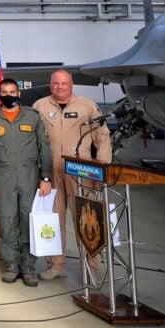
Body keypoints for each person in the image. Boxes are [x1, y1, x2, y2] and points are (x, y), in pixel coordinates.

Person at [32, 69, 111, 281]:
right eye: (55, 83)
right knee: (53, 219)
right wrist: (39, 173)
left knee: (87, 219)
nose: (59, 87)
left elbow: (102, 138)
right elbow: (32, 140)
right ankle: (56, 265)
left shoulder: (87, 106)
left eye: (64, 83)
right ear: (50, 84)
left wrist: (100, 172)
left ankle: (91, 268)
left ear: (71, 83)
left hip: (81, 171)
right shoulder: (40, 106)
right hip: (51, 172)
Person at [0, 78, 53, 286]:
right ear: (0, 94)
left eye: (12, 91)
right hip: (2, 175)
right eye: (5, 92)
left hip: (29, 175)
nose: (9, 95)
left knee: (28, 219)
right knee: (7, 220)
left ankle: (28, 267)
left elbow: (45, 149)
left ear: (19, 93)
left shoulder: (32, 117)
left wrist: (45, 178)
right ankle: (11, 265)